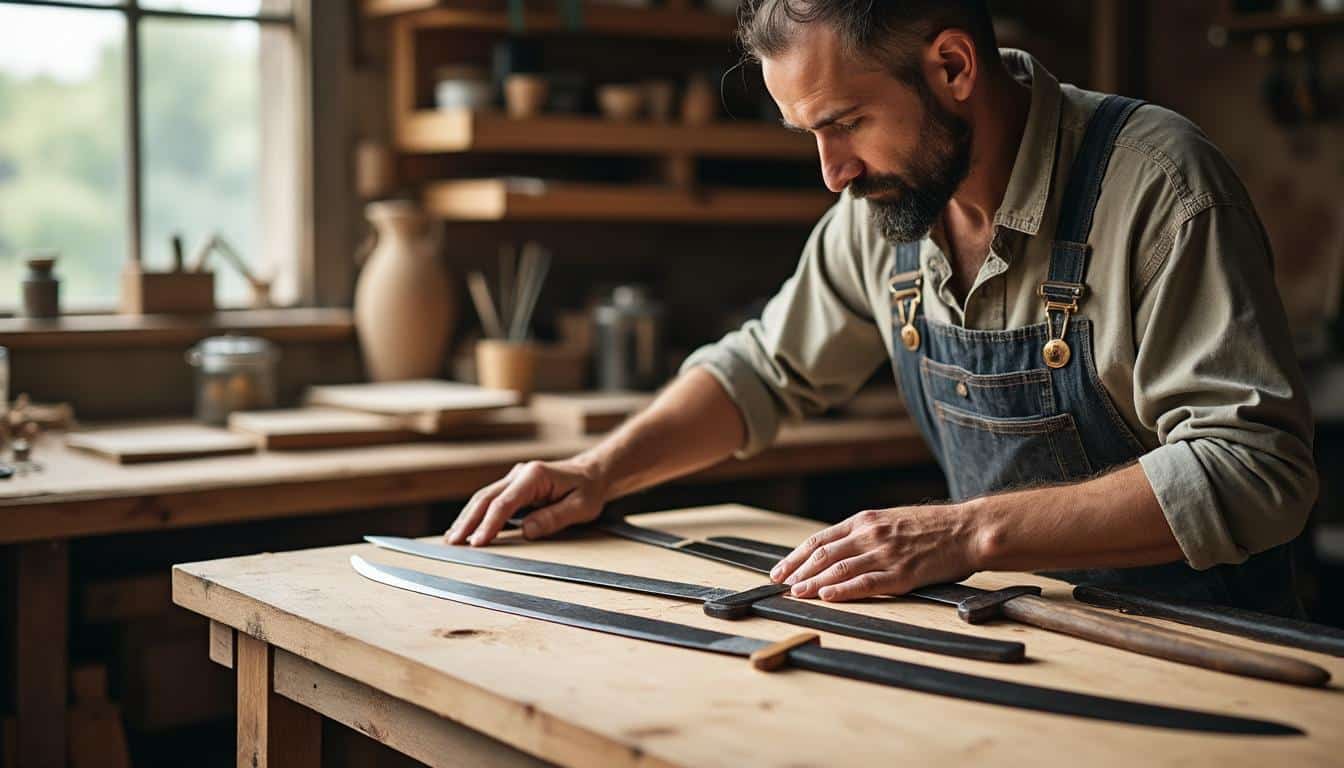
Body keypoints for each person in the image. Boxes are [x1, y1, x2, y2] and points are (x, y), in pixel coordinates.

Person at [444, 0, 1317, 613]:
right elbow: (760, 370)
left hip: (1211, 650)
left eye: (847, 122)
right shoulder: (885, 212)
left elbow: (1254, 471)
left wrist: (966, 535)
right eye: (811, 134)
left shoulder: (1160, 185)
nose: (833, 172)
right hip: (1021, 632)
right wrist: (598, 473)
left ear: (952, 66)